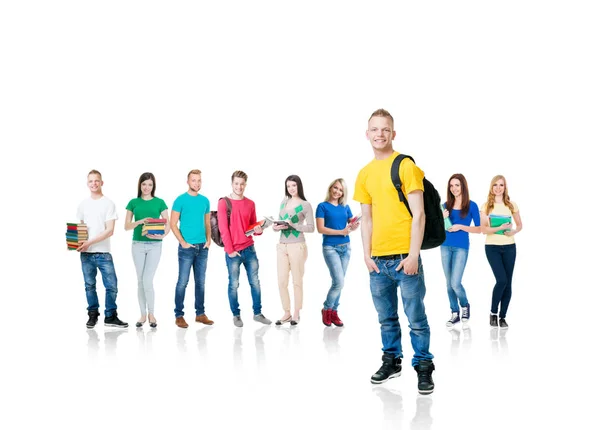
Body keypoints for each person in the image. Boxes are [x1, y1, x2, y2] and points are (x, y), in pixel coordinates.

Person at [353, 108, 435, 395]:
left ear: (393, 133)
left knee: (416, 318)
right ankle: (392, 361)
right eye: (374, 129)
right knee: (386, 318)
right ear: (367, 134)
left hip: (405, 259)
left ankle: (424, 366)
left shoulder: (405, 166)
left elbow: (420, 214)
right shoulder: (364, 174)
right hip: (377, 262)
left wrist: (413, 255)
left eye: (385, 129)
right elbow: (367, 218)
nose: (379, 134)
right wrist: (366, 255)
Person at [218, 170, 272, 327]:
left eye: (242, 184)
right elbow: (223, 228)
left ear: (245, 185)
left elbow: (251, 227)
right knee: (233, 284)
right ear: (232, 184)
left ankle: (258, 313)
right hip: (233, 251)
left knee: (255, 282)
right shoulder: (224, 203)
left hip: (249, 249)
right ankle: (236, 315)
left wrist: (259, 231)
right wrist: (229, 250)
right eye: (236, 183)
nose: (239, 187)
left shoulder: (250, 204)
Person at [77, 170, 128, 328]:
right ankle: (93, 315)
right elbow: (80, 228)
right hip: (85, 254)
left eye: (97, 181)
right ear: (87, 184)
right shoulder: (83, 204)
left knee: (111, 285)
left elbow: (110, 230)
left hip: (104, 253)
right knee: (89, 286)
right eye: (91, 181)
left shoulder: (108, 203)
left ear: (102, 183)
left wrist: (89, 242)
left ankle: (110, 316)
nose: (94, 184)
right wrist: (77, 243)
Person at [125, 172, 170, 328]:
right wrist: (139, 222)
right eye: (144, 184)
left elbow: (168, 224)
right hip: (137, 244)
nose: (146, 187)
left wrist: (161, 236)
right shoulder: (133, 202)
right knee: (140, 281)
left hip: (154, 246)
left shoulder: (160, 202)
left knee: (147, 280)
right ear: (140, 185)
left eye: (150, 184)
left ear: (153, 186)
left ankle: (151, 313)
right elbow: (126, 226)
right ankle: (142, 315)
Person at [170, 169, 213, 328]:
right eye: (194, 180)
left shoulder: (205, 201)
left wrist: (208, 241)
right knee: (183, 282)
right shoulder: (180, 200)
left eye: (199, 180)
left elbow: (207, 223)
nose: (197, 183)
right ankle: (179, 315)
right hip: (187, 248)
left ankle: (200, 314)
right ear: (188, 181)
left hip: (203, 248)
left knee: (201, 282)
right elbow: (173, 223)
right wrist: (182, 242)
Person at [315, 178, 359, 327]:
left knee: (339, 283)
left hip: (346, 248)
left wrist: (354, 225)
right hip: (330, 248)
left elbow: (350, 226)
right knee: (339, 282)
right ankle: (326, 309)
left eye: (341, 190)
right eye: (335, 188)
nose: (337, 191)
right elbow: (321, 229)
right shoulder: (322, 206)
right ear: (330, 188)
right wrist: (341, 231)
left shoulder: (345, 207)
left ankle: (334, 312)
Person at [480, 175, 523, 328]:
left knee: (508, 283)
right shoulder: (486, 206)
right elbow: (484, 229)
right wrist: (499, 228)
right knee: (501, 280)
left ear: (505, 188)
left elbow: (519, 225)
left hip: (510, 247)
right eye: (495, 185)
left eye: (501, 185)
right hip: (492, 247)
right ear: (491, 188)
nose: (498, 188)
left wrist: (513, 232)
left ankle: (502, 317)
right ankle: (493, 313)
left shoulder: (512, 205)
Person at [273, 175, 315, 326]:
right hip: (282, 245)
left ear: (299, 186)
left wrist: (294, 226)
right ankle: (286, 312)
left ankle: (297, 312)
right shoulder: (284, 203)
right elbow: (278, 222)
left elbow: (311, 228)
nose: (291, 188)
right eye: (288, 186)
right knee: (282, 281)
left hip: (297, 246)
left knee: (297, 281)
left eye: (294, 185)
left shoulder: (305, 205)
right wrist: (275, 227)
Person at [440, 173, 481, 328]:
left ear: (463, 186)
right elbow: (439, 228)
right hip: (444, 245)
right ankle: (454, 312)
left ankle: (465, 305)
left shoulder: (472, 205)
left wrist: (460, 227)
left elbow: (479, 229)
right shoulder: (445, 205)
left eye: (457, 185)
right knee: (448, 283)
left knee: (455, 282)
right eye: (451, 186)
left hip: (461, 247)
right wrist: (441, 217)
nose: (454, 188)